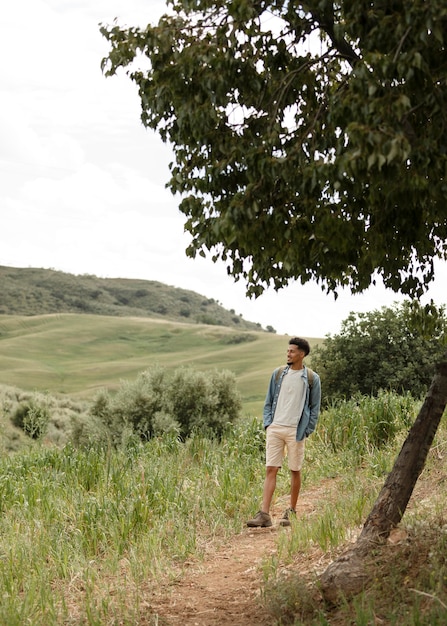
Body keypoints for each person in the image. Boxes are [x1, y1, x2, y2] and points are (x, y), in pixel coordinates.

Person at [246, 337, 321, 528]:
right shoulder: (278, 374)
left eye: (292, 351)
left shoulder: (312, 378)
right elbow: (269, 401)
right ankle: (264, 514)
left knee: (295, 470)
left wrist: (307, 429)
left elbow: (314, 407)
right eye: (288, 351)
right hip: (276, 428)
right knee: (271, 469)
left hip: (296, 430)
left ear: (302, 354)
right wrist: (268, 424)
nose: (288, 354)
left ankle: (291, 512)